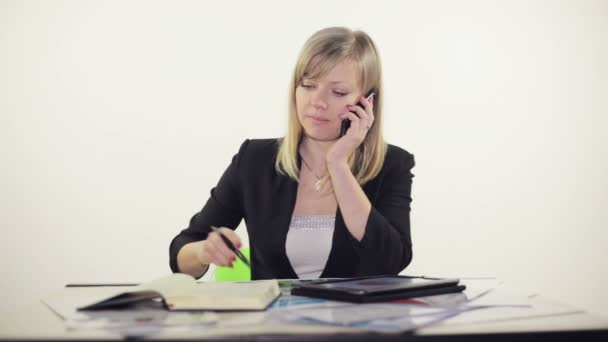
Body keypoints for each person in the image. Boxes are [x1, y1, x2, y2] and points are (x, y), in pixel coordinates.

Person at [169, 27, 415, 280]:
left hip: (357, 319)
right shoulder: (254, 159)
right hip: (276, 320)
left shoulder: (393, 164)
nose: (317, 101)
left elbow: (391, 261)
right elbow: (182, 251)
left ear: (367, 102)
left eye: (338, 92)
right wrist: (202, 252)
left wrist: (338, 164)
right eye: (308, 85)